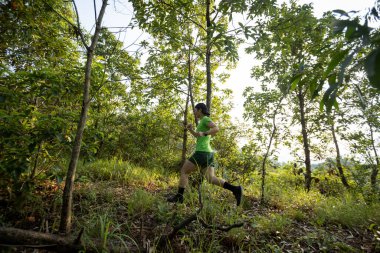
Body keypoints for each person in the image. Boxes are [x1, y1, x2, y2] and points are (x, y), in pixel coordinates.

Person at [167, 103, 243, 206]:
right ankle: (235, 189)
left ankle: (180, 197)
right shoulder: (201, 122)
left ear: (200, 110)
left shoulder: (205, 119)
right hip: (208, 153)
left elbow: (216, 129)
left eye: (195, 110)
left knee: (184, 171)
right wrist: (190, 129)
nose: (194, 112)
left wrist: (205, 133)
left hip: (202, 152)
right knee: (210, 178)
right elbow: (198, 136)